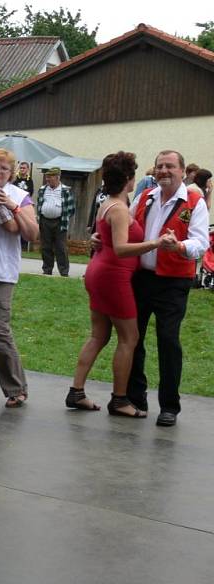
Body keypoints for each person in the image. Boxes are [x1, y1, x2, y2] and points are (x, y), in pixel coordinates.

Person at [67, 152, 174, 417]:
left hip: (102, 272)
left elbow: (103, 235)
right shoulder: (117, 208)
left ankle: (76, 392)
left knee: (99, 336)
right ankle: (120, 399)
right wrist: (156, 243)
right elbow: (122, 248)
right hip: (112, 277)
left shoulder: (111, 204)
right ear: (127, 178)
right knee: (130, 338)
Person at [127, 150, 209, 427]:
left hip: (174, 281)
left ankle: (169, 406)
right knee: (132, 338)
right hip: (141, 279)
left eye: (170, 166)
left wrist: (180, 247)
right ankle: (136, 398)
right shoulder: (144, 197)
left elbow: (201, 242)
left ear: (183, 171)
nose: (164, 170)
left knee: (168, 340)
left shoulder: (195, 202)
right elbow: (126, 229)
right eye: (160, 166)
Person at [0, 149, 39, 408]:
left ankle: (16, 388)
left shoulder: (20, 196)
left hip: (2, 272)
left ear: (13, 173)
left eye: (4, 168)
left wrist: (13, 206)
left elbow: (31, 233)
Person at [36, 167, 76, 276]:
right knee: (45, 246)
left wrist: (63, 217)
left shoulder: (66, 190)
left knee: (61, 247)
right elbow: (39, 204)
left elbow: (72, 209)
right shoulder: (43, 189)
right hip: (45, 221)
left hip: (60, 222)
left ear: (57, 177)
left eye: (50, 177)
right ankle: (47, 270)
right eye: (47, 177)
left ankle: (64, 272)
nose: (47, 179)